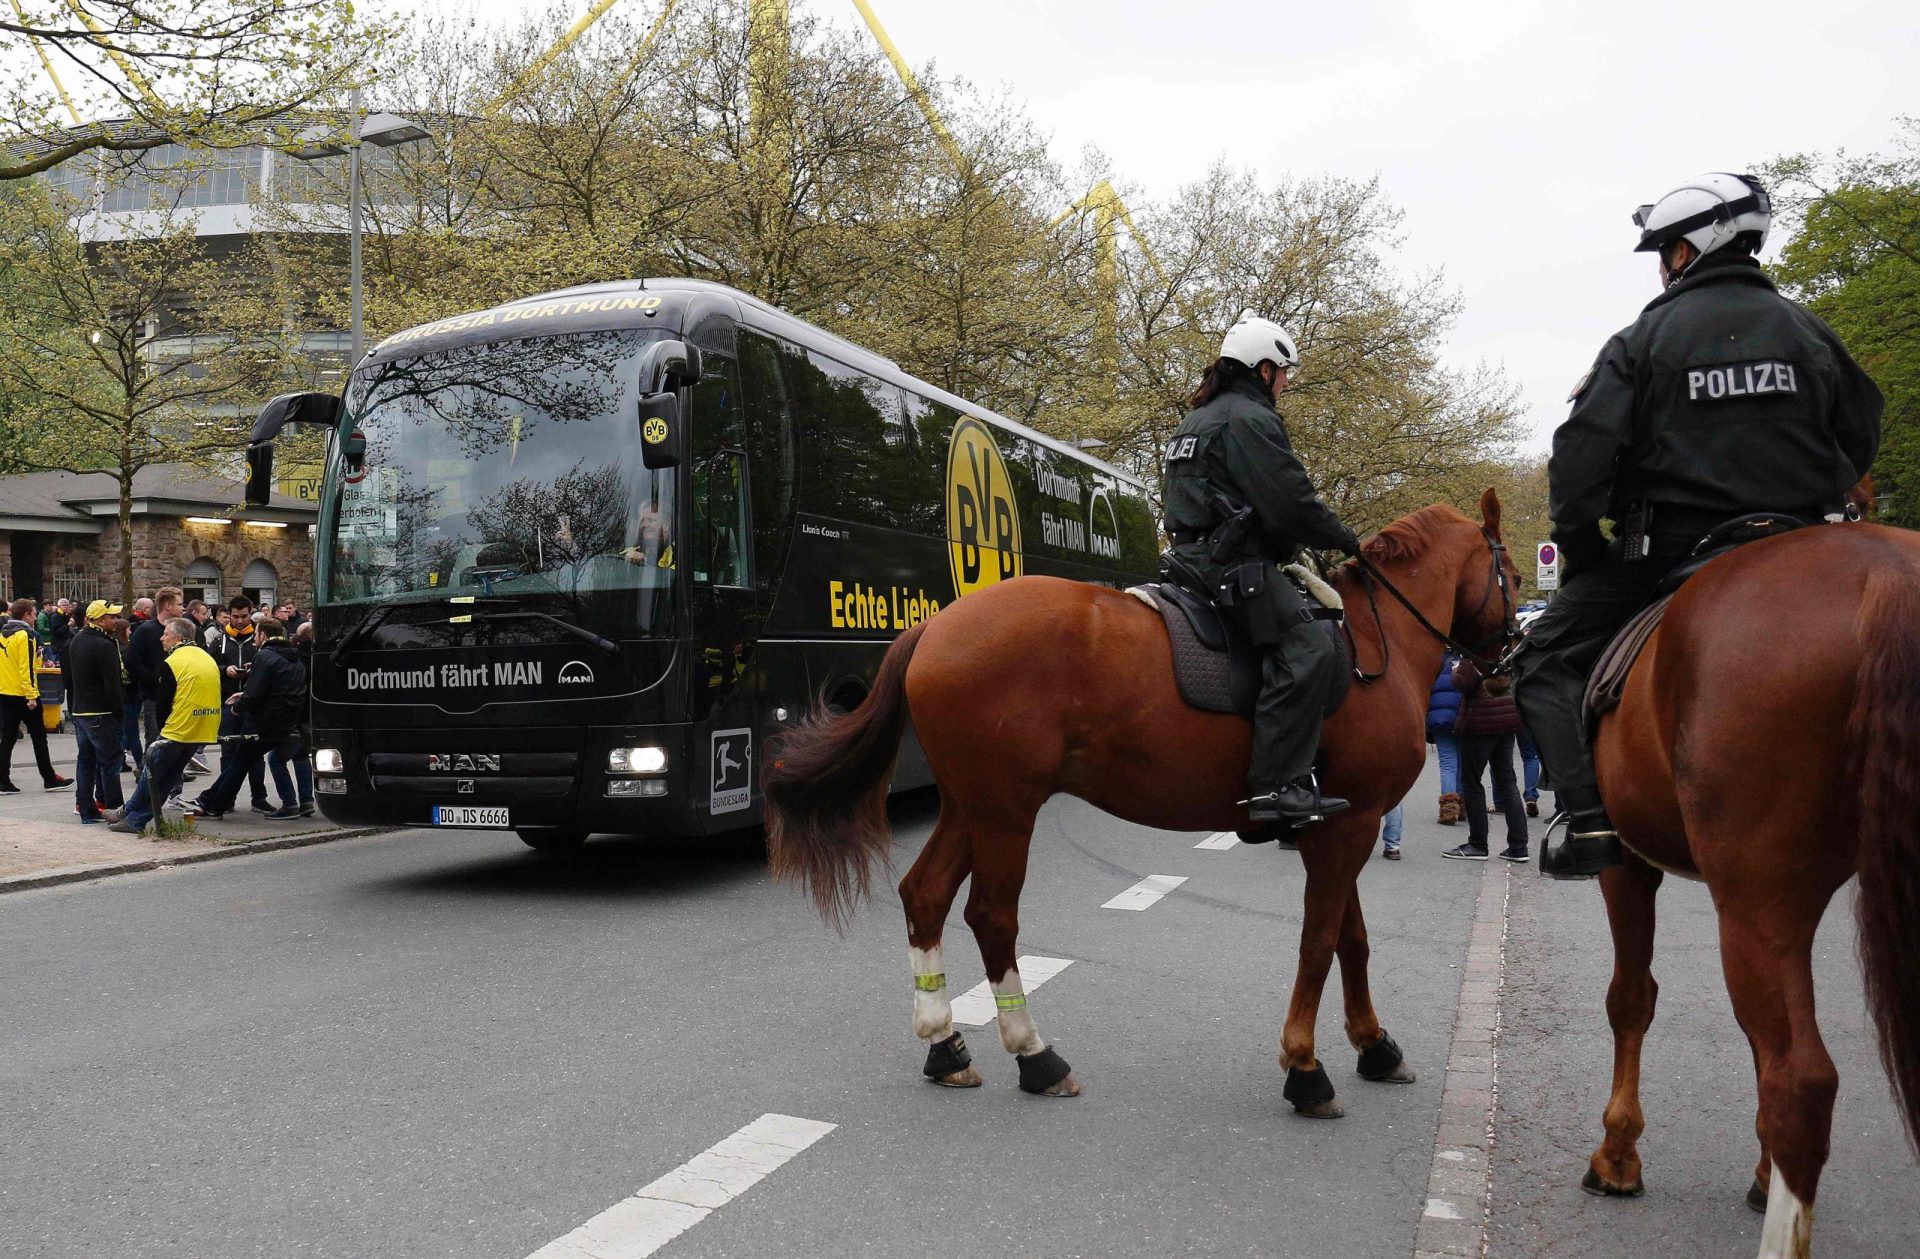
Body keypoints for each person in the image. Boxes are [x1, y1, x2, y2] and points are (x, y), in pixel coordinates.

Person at [1515, 172, 1884, 879]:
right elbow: (1861, 431)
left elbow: (1580, 458)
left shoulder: (1644, 339)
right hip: (1807, 542)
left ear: (1686, 253)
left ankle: (1590, 825)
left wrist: (1585, 544)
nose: (1660, 267)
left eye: (1662, 251)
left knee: (1542, 659)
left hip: (1673, 553)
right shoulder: (1810, 331)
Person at [1163, 315, 1362, 826]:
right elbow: (1288, 499)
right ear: (1264, 368)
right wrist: (1341, 537)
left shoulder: (1198, 418)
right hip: (1229, 562)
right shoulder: (1249, 418)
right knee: (1310, 643)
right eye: (1285, 373)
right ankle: (1276, 787)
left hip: (1187, 557)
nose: (1287, 383)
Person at [109, 618, 221, 835]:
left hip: (178, 728)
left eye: (166, 634)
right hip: (203, 727)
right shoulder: (205, 657)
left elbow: (163, 702)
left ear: (178, 637)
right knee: (167, 777)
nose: (162, 638)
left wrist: (162, 730)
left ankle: (133, 817)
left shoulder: (173, 661)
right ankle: (130, 814)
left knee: (152, 774)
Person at [190, 618, 306, 819]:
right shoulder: (294, 658)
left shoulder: (265, 656)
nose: (255, 640)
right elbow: (279, 689)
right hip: (287, 721)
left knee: (239, 762)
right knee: (249, 761)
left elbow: (255, 693)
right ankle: (210, 800)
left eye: (257, 635)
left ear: (263, 635)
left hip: (262, 722)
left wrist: (237, 707)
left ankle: (213, 804)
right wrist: (244, 696)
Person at [1445, 658, 1530, 862]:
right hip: (1507, 718)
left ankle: (1477, 844)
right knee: (1508, 782)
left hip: (1479, 722)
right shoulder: (1506, 652)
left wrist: (1455, 671)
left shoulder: (1477, 654)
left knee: (1472, 782)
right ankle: (1519, 846)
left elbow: (1464, 684)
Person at [1, 598, 73, 794]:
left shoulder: (3, 633)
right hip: (24, 694)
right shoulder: (26, 635)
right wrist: (31, 695)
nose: (35, 617)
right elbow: (26, 668)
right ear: (26, 615)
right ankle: (48, 777)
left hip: (6, 691)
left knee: (7, 737)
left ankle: (3, 778)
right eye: (33, 613)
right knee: (39, 737)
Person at [64, 599, 128, 823]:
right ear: (99, 619)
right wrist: (118, 712)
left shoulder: (78, 639)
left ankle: (86, 809)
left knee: (86, 761)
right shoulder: (105, 645)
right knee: (110, 763)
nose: (116, 620)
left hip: (80, 710)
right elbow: (112, 685)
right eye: (111, 617)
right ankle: (115, 809)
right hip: (101, 712)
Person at [206, 595, 269, 812]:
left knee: (255, 753)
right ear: (228, 615)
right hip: (228, 703)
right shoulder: (219, 641)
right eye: (235, 617)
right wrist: (225, 670)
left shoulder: (258, 640)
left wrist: (253, 670)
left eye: (244, 616)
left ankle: (259, 798)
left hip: (252, 705)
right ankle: (227, 798)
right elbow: (210, 666)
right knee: (228, 752)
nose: (239, 621)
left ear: (250, 614)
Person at [263, 621, 315, 818]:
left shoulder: (294, 659)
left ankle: (289, 803)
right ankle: (307, 800)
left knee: (276, 758)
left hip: (294, 717)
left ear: (298, 639)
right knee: (301, 757)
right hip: (311, 718)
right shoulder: (319, 658)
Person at [127, 586, 180, 753]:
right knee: (155, 742)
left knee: (177, 740)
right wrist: (155, 680)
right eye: (179, 603)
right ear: (167, 606)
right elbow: (132, 662)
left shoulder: (183, 629)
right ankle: (149, 775)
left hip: (180, 696)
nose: (182, 607)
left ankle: (173, 772)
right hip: (154, 697)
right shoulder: (145, 631)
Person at [1425, 651, 1465, 824]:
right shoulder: (1466, 663)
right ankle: (1462, 806)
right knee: (1462, 763)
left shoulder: (1434, 662)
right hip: (1463, 719)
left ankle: (1449, 809)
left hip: (1440, 719)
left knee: (1448, 763)